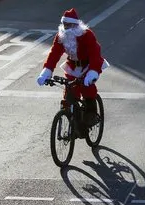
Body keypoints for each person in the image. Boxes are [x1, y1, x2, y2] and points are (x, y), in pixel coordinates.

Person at [36, 8, 109, 138]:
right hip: (72, 67)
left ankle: (91, 116)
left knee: (88, 90)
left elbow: (94, 54)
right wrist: (47, 71)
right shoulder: (61, 36)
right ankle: (75, 124)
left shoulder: (87, 35)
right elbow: (54, 54)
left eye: (69, 25)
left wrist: (92, 72)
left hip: (88, 66)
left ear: (76, 25)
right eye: (65, 25)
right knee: (70, 94)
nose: (67, 28)